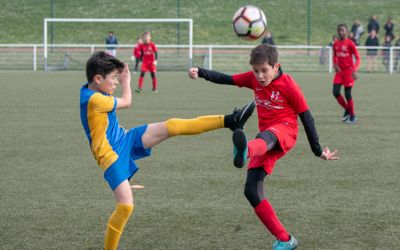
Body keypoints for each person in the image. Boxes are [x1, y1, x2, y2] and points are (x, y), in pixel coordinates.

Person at [80, 51, 256, 250]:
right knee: (126, 205)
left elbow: (102, 79)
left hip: (124, 139)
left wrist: (112, 65)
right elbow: (127, 101)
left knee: (171, 126)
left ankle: (230, 120)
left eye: (117, 78)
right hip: (111, 156)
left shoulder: (90, 88)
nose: (117, 82)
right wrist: (127, 81)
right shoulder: (95, 100)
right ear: (97, 79)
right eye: (113, 79)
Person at [188, 44, 338, 250]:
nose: (259, 76)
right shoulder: (253, 79)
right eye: (256, 71)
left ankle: (244, 150)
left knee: (265, 136)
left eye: (264, 70)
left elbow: (306, 117)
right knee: (251, 190)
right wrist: (201, 71)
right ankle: (285, 239)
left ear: (276, 66)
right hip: (264, 143)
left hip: (284, 132)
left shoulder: (289, 85)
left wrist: (317, 150)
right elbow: (227, 79)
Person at [332, 24, 361, 124]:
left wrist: (354, 70)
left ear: (347, 32)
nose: (341, 32)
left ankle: (352, 116)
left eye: (343, 30)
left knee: (347, 94)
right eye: (339, 30)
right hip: (340, 72)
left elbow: (358, 58)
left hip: (349, 71)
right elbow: (335, 56)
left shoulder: (350, 43)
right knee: (335, 92)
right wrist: (335, 64)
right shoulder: (335, 44)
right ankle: (348, 110)